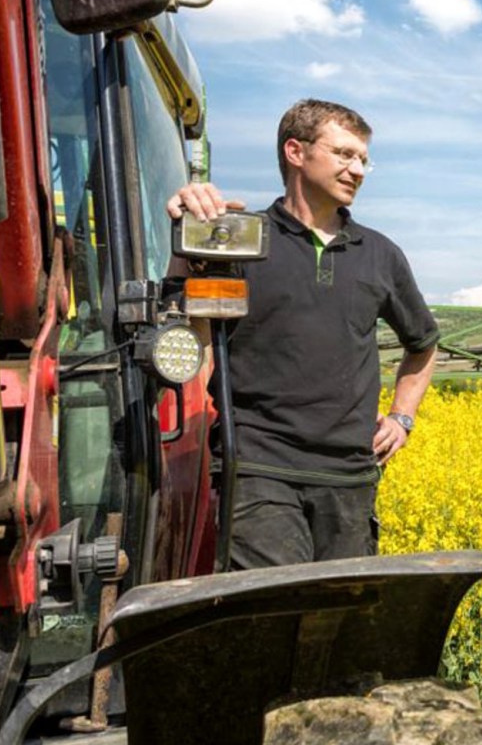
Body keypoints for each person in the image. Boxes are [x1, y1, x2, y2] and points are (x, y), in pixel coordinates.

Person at [166, 98, 439, 570]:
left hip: (351, 473)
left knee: (335, 618)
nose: (358, 170)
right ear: (295, 151)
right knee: (275, 609)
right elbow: (191, 338)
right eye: (344, 154)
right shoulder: (240, 240)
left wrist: (402, 419)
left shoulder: (380, 254)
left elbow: (423, 345)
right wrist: (188, 239)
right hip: (258, 467)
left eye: (363, 159)